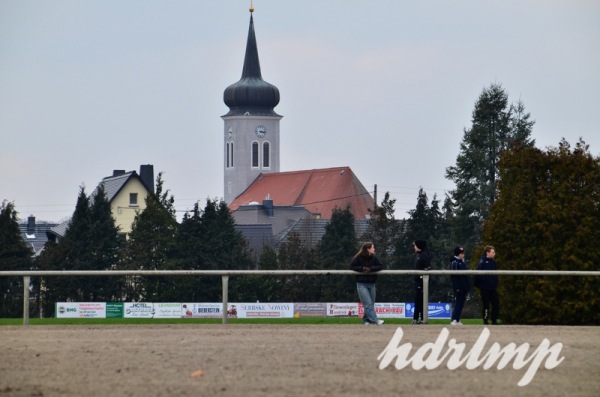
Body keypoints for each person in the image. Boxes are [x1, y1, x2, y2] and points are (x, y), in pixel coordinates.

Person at [350, 242, 384, 325]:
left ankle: (366, 320)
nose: (374, 249)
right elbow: (352, 266)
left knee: (370, 304)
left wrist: (371, 269)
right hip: (361, 284)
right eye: (373, 247)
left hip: (372, 283)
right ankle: (375, 320)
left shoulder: (374, 257)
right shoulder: (358, 257)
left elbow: (380, 266)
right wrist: (362, 268)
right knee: (368, 304)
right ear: (368, 249)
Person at [474, 245, 500, 325]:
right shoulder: (482, 262)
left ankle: (494, 320)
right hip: (485, 287)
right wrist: (480, 285)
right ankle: (485, 320)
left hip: (492, 287)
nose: (494, 254)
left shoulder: (493, 262)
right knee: (486, 304)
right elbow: (477, 274)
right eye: (493, 252)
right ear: (487, 253)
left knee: (496, 303)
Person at [412, 240, 432, 324]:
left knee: (420, 300)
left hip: (421, 282)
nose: (414, 247)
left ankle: (419, 318)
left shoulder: (424, 255)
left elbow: (429, 267)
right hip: (417, 281)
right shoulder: (418, 255)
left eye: (415, 246)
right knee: (418, 300)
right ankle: (418, 318)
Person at [449, 246, 469, 326]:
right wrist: (456, 287)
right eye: (461, 253)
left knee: (461, 303)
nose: (463, 255)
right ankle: (454, 319)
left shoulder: (461, 262)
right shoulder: (455, 263)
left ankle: (457, 319)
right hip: (459, 287)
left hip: (463, 286)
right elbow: (454, 277)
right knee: (458, 302)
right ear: (458, 254)